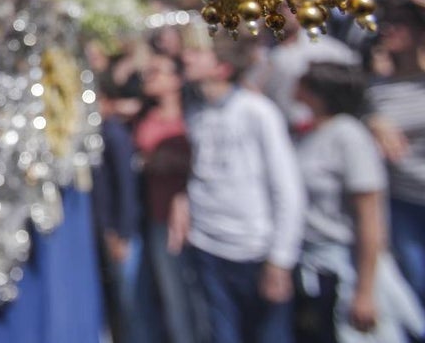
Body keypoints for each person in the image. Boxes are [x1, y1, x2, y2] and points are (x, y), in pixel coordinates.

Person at [169, 36, 306, 343]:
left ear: (222, 67)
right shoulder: (197, 113)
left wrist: (280, 259)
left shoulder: (258, 112)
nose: (186, 58)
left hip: (254, 251)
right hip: (206, 247)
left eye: (197, 53)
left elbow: (287, 188)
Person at [293, 61, 425, 343]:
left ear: (318, 91)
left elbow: (371, 218)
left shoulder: (349, 137)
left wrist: (365, 291)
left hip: (348, 267)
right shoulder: (310, 132)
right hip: (316, 267)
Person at [363, 0, 425, 343]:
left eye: (400, 23)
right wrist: (371, 121)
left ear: (422, 31)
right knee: (422, 289)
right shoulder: (376, 88)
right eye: (386, 23)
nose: (390, 30)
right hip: (406, 204)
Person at [134, 52, 207, 343]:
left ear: (177, 80)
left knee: (199, 298)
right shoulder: (143, 117)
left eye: (158, 72)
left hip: (195, 219)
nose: (150, 77)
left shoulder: (194, 115)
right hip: (158, 218)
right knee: (174, 298)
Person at [92, 82, 150, 343]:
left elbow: (127, 188)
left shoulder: (113, 134)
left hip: (122, 233)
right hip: (112, 232)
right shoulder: (101, 133)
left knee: (132, 304)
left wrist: (123, 234)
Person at [244, 6, 359, 134]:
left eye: (290, 7)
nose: (283, 13)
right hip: (280, 133)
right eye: (277, 7)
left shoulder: (330, 51)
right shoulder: (259, 55)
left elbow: (354, 88)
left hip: (323, 133)